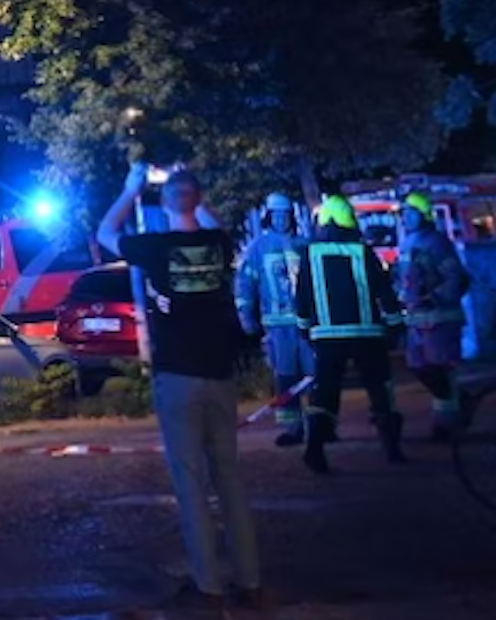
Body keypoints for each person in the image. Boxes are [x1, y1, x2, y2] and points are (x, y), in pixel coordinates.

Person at [98, 163, 263, 611]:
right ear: (198, 198)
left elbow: (106, 231)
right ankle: (251, 582)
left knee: (191, 485)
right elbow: (212, 220)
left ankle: (208, 587)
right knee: (230, 480)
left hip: (177, 378)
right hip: (220, 375)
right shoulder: (218, 243)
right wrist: (190, 186)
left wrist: (132, 189)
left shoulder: (154, 247)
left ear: (165, 202)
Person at [293, 195, 406, 473]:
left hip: (327, 337)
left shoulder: (309, 253)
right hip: (368, 335)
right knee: (380, 390)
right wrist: (395, 325)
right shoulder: (362, 251)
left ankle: (315, 451)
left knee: (325, 394)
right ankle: (392, 449)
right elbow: (384, 292)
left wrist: (305, 328)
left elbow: (302, 297)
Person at [234, 193, 313, 447]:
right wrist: (246, 315)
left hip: (308, 323)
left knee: (314, 377)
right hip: (278, 326)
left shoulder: (304, 244)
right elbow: (245, 284)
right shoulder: (258, 248)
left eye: (285, 215)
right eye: (276, 215)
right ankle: (292, 428)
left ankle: (320, 425)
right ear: (269, 217)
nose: (281, 219)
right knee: (286, 376)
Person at [396, 191, 469, 441]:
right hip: (418, 321)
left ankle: (447, 425)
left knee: (440, 371)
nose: (405, 217)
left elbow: (454, 277)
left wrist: (433, 297)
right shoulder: (407, 243)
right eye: (403, 213)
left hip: (440, 319)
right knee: (421, 368)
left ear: (423, 215)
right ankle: (456, 407)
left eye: (410, 212)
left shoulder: (437, 243)